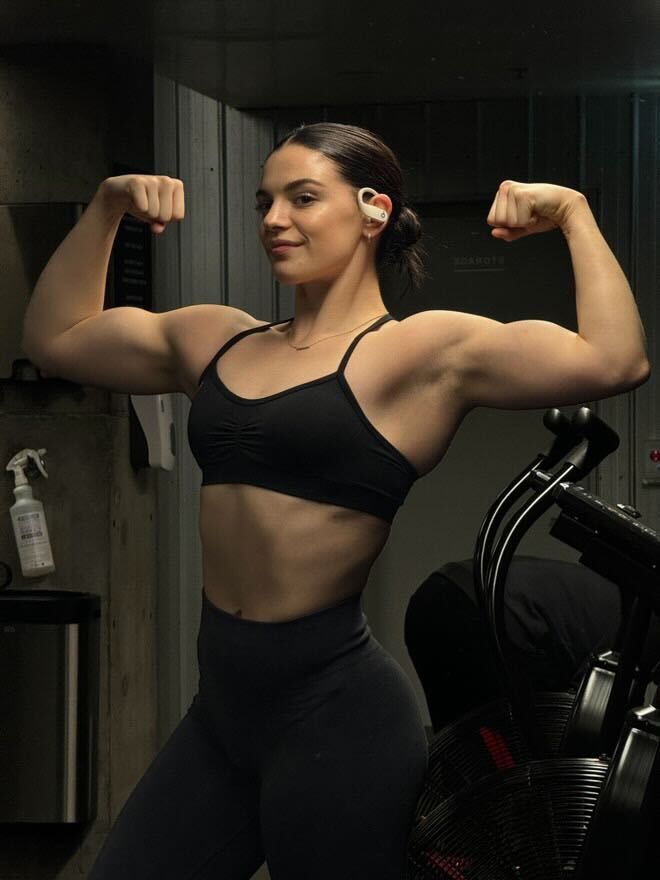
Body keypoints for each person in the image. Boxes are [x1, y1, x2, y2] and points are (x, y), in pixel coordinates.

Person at [22, 122, 650, 879]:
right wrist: (107, 206)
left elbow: (617, 359)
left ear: (373, 210)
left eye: (302, 197)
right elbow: (58, 338)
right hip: (222, 712)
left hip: (336, 716)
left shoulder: (419, 354)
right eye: (264, 202)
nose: (274, 219)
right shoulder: (218, 340)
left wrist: (574, 214)